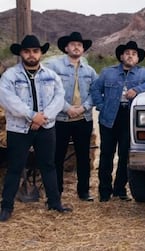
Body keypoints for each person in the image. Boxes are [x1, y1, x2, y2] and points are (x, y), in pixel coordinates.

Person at [0, 35, 71, 222]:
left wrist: (42, 118)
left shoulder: (51, 75)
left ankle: (54, 203)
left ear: (40, 53)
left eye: (35, 51)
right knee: (15, 167)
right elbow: (8, 101)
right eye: (27, 51)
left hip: (46, 127)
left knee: (48, 165)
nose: (31, 55)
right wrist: (32, 116)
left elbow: (58, 99)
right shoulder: (10, 76)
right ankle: (6, 207)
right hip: (19, 129)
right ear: (21, 53)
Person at [91, 41, 145, 202]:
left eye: (134, 54)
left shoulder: (144, 74)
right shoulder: (107, 72)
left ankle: (120, 189)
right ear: (121, 56)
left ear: (137, 58)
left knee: (125, 155)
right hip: (109, 117)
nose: (130, 56)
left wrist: (137, 90)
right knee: (106, 155)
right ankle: (104, 191)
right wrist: (102, 106)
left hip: (129, 117)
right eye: (127, 53)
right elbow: (95, 89)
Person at [44, 32, 98, 201]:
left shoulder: (89, 71)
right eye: (73, 44)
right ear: (66, 48)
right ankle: (56, 192)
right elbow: (48, 90)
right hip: (60, 119)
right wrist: (67, 108)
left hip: (83, 119)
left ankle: (83, 191)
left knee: (83, 157)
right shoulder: (54, 67)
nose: (76, 47)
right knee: (57, 156)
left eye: (80, 45)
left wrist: (83, 107)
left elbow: (95, 92)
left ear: (83, 49)